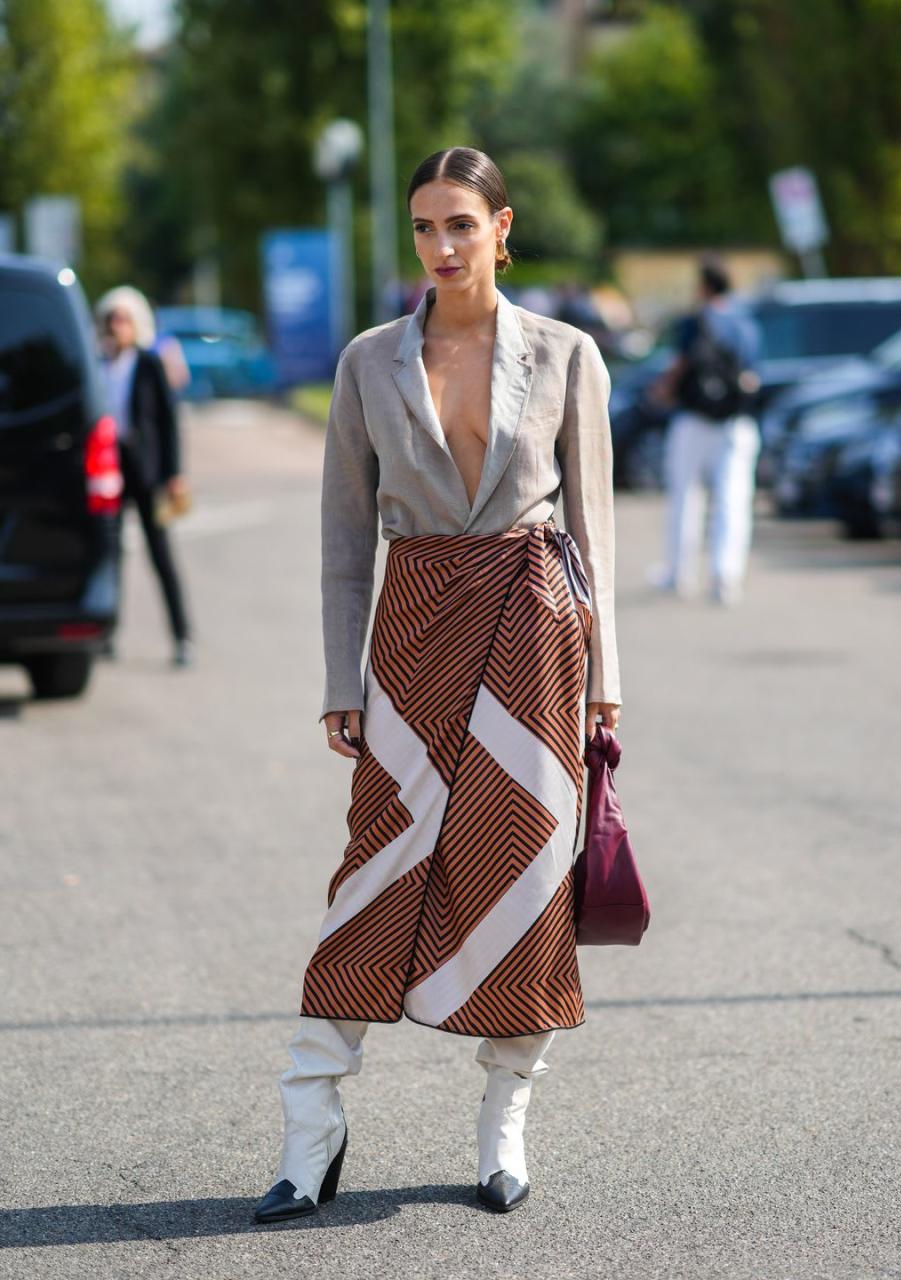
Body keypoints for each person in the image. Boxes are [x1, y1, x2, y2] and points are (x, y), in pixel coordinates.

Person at [254, 147, 621, 1223]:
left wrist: (609, 685)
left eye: (462, 223)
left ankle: (506, 1117)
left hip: (534, 633)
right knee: (373, 875)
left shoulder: (566, 353)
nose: (444, 246)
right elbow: (339, 535)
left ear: (503, 228)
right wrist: (341, 677)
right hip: (411, 631)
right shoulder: (369, 361)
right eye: (425, 226)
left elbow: (594, 528)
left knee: (523, 875)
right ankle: (309, 1124)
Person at [650, 256, 762, 606]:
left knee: (685, 496)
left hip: (694, 419)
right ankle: (725, 576)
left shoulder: (694, 322)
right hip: (734, 422)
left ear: (703, 285)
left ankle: (679, 573)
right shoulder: (746, 324)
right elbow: (753, 375)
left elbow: (679, 366)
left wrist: (661, 392)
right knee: (733, 499)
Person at [95, 286, 193, 665]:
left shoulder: (150, 364)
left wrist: (174, 472)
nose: (116, 326)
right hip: (109, 470)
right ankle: (107, 633)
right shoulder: (100, 363)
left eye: (123, 319)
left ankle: (182, 636)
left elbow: (168, 422)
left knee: (160, 553)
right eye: (110, 319)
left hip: (148, 472)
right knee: (109, 553)